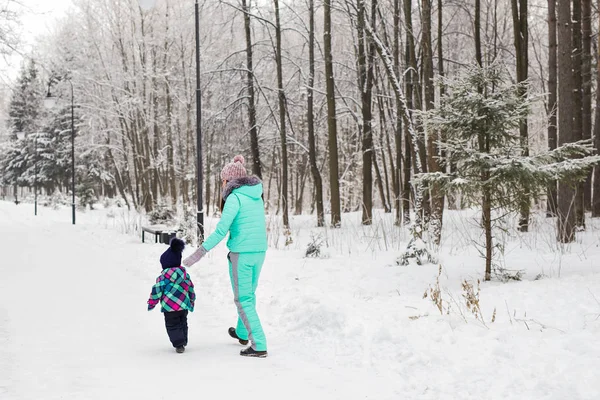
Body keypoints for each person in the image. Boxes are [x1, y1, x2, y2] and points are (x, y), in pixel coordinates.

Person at [183, 155, 268, 358]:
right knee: (249, 295)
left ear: (229, 180)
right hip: (259, 251)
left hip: (242, 253)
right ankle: (242, 332)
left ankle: (259, 344)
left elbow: (221, 230)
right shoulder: (255, 195)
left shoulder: (234, 197)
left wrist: (198, 254)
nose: (222, 183)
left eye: (223, 180)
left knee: (243, 299)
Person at [148, 238, 196, 354]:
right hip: (183, 306)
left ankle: (179, 343)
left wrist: (151, 303)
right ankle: (183, 340)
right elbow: (191, 288)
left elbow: (156, 291)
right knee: (183, 322)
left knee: (172, 325)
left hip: (170, 308)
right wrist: (191, 300)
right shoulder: (185, 276)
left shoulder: (163, 278)